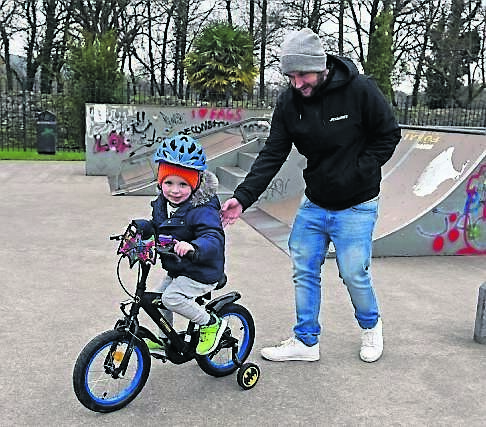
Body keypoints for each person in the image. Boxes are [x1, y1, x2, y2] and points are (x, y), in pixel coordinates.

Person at [221, 28, 401, 363]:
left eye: (303, 74)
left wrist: (359, 170)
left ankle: (371, 326)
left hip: (357, 204)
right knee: (304, 269)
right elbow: (273, 153)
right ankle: (306, 341)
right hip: (315, 202)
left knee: (353, 272)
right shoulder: (289, 101)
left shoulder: (359, 91)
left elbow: (388, 134)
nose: (297, 83)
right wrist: (243, 197)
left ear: (321, 67)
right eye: (290, 76)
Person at [146, 134, 227, 356]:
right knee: (157, 301)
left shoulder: (203, 208)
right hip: (178, 268)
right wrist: (142, 231)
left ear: (195, 183)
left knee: (170, 298)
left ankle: (210, 323)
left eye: (183, 184)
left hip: (202, 270)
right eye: (168, 182)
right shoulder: (163, 204)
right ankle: (166, 339)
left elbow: (213, 236)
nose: (175, 190)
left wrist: (194, 247)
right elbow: (158, 226)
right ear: (160, 181)